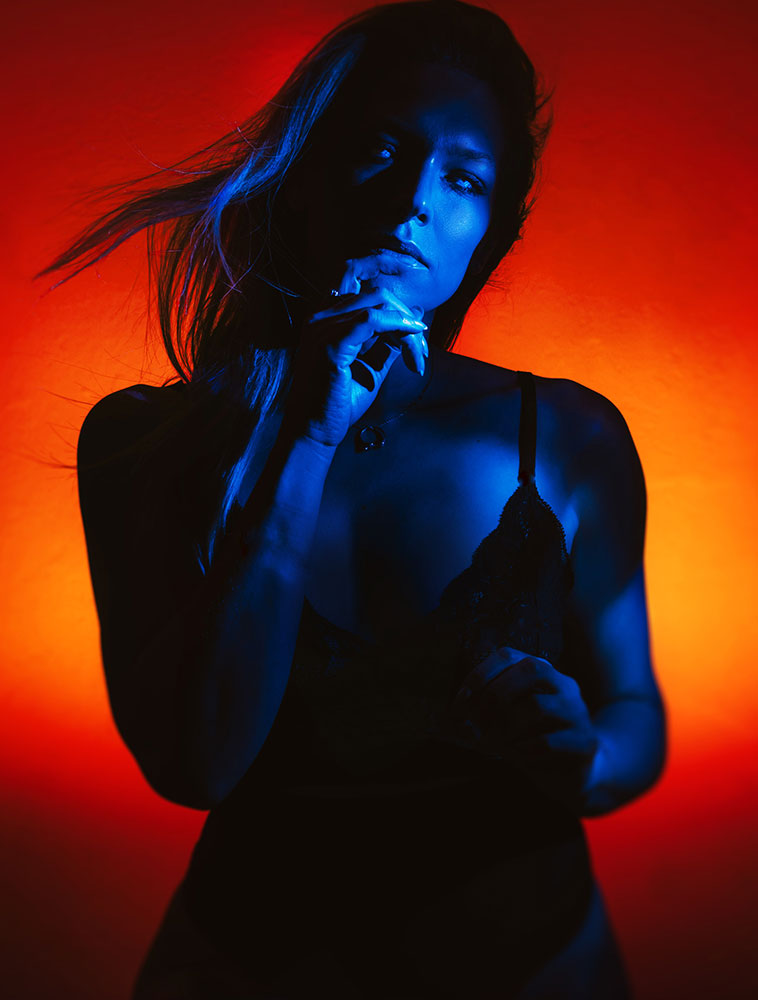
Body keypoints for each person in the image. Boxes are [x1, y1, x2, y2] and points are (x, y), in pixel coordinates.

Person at [42, 2, 666, 996]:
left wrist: (583, 756)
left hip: (536, 963)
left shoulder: (566, 436)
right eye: (380, 148)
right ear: (302, 176)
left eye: (463, 177)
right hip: (249, 966)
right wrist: (304, 431)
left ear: (486, 233)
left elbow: (636, 713)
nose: (416, 199)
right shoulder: (141, 442)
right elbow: (195, 765)